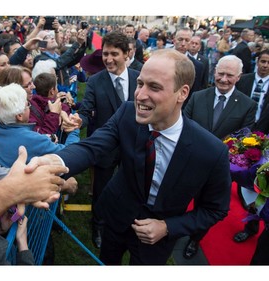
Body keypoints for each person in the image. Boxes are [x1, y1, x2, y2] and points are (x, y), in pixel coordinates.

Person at [25, 48, 231, 265]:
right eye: (140, 83)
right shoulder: (126, 114)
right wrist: (52, 162)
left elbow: (215, 209)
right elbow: (90, 148)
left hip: (158, 239)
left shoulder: (211, 151)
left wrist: (168, 227)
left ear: (182, 93)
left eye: (154, 87)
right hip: (115, 217)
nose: (140, 95)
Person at [183, 55, 257, 259]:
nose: (224, 79)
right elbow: (184, 125)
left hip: (219, 170)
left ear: (239, 77)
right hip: (190, 162)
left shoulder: (247, 105)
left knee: (204, 207)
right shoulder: (198, 96)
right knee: (179, 199)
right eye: (220, 73)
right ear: (214, 71)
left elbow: (243, 139)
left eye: (229, 75)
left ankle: (194, 239)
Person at [77, 30, 140, 249]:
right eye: (105, 54)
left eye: (114, 54)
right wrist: (77, 121)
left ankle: (126, 223)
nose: (109, 59)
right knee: (102, 192)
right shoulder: (95, 81)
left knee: (132, 187)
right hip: (106, 148)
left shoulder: (138, 77)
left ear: (127, 54)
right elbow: (86, 111)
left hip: (135, 146)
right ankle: (98, 226)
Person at [0, 83, 80, 168]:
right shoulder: (33, 140)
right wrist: (74, 128)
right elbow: (71, 153)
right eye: (28, 105)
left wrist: (44, 138)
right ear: (19, 115)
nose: (30, 107)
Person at [232, 49, 269, 243]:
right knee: (241, 182)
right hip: (240, 136)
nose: (265, 65)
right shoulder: (243, 80)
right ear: (257, 61)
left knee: (260, 186)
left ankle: (252, 225)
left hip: (264, 141)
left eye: (268, 62)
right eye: (263, 61)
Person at [173, 27, 204, 107]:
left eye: (187, 40)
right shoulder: (162, 60)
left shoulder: (197, 66)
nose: (183, 43)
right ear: (174, 40)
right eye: (180, 39)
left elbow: (193, 94)